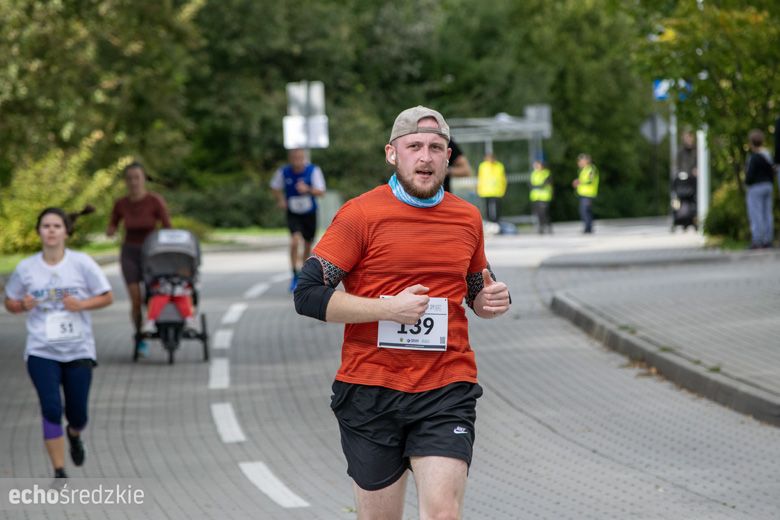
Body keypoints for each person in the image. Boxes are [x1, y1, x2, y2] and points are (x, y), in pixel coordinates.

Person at [293, 106, 511, 519]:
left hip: (446, 388)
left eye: (435, 148)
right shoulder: (361, 215)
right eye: (414, 147)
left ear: (448, 157)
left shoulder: (466, 218)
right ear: (393, 154)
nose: (425, 157)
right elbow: (307, 294)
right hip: (371, 389)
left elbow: (477, 284)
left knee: (443, 512)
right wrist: (387, 309)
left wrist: (489, 301)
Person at [4, 208, 113, 478]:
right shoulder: (26, 268)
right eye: (45, 226)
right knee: (51, 407)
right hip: (41, 350)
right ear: (39, 231)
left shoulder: (81, 263)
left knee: (78, 414)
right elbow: (9, 302)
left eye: (56, 226)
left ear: (66, 231)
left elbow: (107, 296)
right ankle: (59, 469)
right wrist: (21, 305)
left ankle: (74, 434)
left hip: (78, 349)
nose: (51, 230)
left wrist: (82, 304)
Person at [106, 162, 171, 357]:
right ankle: (140, 335)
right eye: (130, 178)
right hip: (129, 253)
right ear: (126, 182)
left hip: (151, 253)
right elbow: (113, 225)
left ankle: (158, 325)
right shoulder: (121, 203)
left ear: (144, 179)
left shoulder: (155, 201)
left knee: (153, 295)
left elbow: (168, 227)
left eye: (137, 178)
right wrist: (110, 230)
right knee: (136, 299)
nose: (134, 182)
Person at [270, 149, 326, 292]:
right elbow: (274, 187)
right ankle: (294, 273)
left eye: (300, 157)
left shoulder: (313, 170)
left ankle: (302, 272)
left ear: (304, 158)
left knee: (308, 243)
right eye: (294, 157)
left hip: (309, 212)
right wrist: (281, 200)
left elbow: (321, 192)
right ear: (290, 158)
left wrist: (307, 189)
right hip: (293, 212)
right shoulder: (284, 172)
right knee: (295, 240)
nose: (297, 160)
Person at [744, 129, 775, 249]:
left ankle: (757, 240)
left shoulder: (754, 157)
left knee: (756, 213)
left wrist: (747, 182)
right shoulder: (768, 155)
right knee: (767, 213)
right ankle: (768, 239)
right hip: (768, 186)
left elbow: (750, 174)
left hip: (756, 187)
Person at [572, 153, 599, 234]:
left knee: (584, 211)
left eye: (580, 161)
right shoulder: (583, 170)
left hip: (588, 194)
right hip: (583, 194)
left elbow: (590, 180)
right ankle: (588, 228)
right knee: (586, 211)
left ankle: (588, 228)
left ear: (586, 161)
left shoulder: (591, 169)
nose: (579, 163)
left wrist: (579, 182)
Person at [476, 152, 507, 223]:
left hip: (497, 191)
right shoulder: (482, 166)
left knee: (497, 207)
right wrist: (479, 188)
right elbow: (480, 178)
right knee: (487, 208)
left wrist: (503, 188)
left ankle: (497, 221)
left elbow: (503, 178)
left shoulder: (499, 166)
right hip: (485, 191)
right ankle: (488, 221)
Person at [529, 159, 553, 234]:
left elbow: (546, 183)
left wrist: (537, 186)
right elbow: (530, 184)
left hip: (544, 196)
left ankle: (548, 226)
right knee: (538, 213)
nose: (536, 166)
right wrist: (537, 186)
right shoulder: (533, 173)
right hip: (536, 197)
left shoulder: (546, 173)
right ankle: (541, 227)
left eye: (537, 165)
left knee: (544, 212)